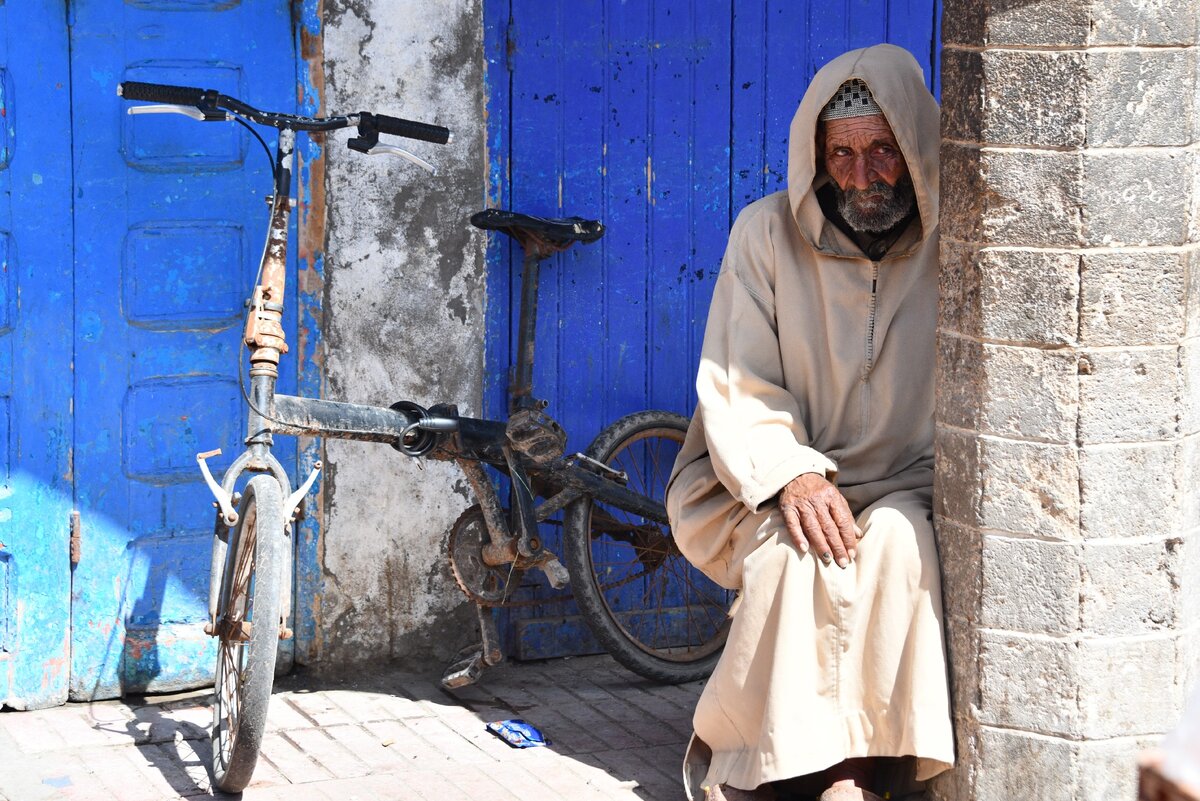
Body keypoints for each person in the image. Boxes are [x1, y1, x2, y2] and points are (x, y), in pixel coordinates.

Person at [665, 44, 954, 801]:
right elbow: (740, 377)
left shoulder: (957, 242)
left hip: (905, 481)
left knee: (895, 542)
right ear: (819, 155)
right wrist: (790, 470)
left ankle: (858, 771)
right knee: (803, 554)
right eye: (844, 153)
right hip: (760, 477)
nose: (862, 175)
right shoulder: (765, 233)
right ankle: (775, 764)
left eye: (884, 149)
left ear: (917, 146)